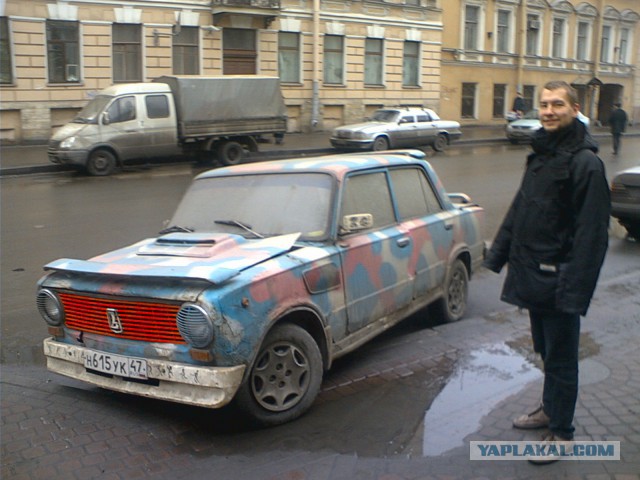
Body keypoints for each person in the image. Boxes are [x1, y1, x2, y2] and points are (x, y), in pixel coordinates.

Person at [483, 80, 610, 464]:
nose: (549, 111)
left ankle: (562, 432)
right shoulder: (541, 154)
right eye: (544, 104)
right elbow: (521, 208)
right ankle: (548, 409)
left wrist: (574, 293)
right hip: (533, 274)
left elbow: (592, 237)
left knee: (561, 358)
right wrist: (498, 254)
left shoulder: (585, 162)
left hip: (560, 281)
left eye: (558, 104)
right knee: (544, 349)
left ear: (574, 109)